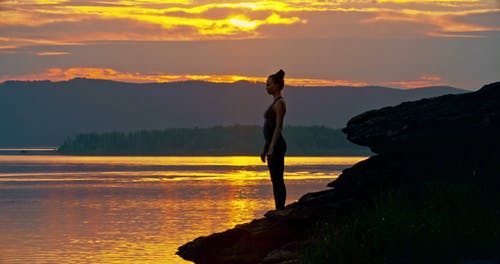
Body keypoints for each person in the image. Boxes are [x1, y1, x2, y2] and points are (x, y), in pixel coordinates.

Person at [260, 69, 287, 210]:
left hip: (277, 146)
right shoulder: (274, 103)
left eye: (269, 84)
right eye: (266, 84)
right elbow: (269, 130)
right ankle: (278, 208)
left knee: (278, 180)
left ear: (276, 86)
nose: (266, 87)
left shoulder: (280, 104)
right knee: (274, 180)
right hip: (271, 145)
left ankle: (280, 209)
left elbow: (278, 128)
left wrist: (271, 147)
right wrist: (265, 148)